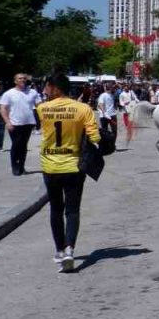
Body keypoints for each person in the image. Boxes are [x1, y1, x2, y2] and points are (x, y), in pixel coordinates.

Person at [36, 73, 100, 273]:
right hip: (74, 166)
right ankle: (70, 249)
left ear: (55, 88)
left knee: (56, 209)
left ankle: (59, 251)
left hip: (50, 166)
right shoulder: (83, 109)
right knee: (72, 210)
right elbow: (95, 135)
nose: (45, 90)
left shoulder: (42, 109)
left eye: (47, 87)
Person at [0, 73, 39, 175]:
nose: (23, 80)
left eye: (24, 79)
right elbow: (2, 108)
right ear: (15, 81)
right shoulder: (9, 93)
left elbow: (40, 106)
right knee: (16, 144)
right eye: (20, 78)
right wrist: (7, 122)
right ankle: (15, 166)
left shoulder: (32, 92)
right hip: (15, 123)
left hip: (29, 123)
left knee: (24, 145)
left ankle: (22, 166)